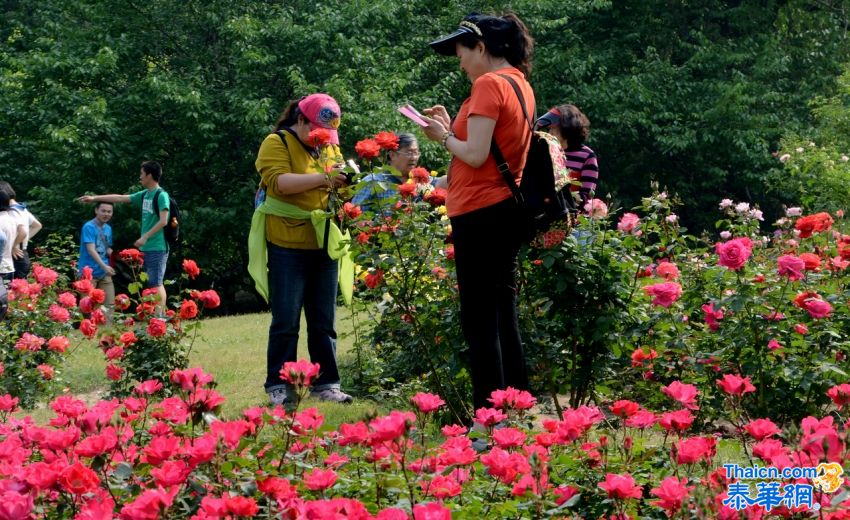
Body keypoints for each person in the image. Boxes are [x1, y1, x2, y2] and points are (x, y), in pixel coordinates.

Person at [420, 12, 535, 411]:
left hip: (480, 214)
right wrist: (446, 127)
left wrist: (444, 136)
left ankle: (489, 418)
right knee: (502, 313)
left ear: (482, 47)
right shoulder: (519, 83)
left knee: (480, 320)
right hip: (502, 211)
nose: (460, 61)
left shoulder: (488, 84)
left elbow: (474, 153)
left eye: (462, 52)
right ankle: (517, 405)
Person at [252, 93, 354, 406]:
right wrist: (326, 178)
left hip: (323, 243)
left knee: (324, 321)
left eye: (329, 136)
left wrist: (348, 179)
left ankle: (328, 384)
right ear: (300, 120)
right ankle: (279, 386)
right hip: (287, 245)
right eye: (318, 132)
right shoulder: (276, 143)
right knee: (286, 321)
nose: (323, 140)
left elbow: (340, 185)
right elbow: (279, 183)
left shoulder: (328, 147)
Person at [77, 161, 170, 315]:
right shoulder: (145, 195)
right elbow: (120, 198)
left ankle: (160, 318)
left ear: (149, 175)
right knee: (152, 283)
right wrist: (94, 198)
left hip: (157, 246)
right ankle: (156, 316)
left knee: (156, 283)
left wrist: (145, 237)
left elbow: (164, 221)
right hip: (148, 247)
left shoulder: (161, 195)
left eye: (141, 174)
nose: (140, 177)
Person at [535, 105, 599, 208]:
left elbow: (586, 199)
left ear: (567, 130)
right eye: (549, 129)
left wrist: (560, 198)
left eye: (554, 129)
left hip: (573, 217)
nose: (549, 133)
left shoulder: (587, 156)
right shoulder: (545, 151)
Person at [351, 133, 423, 212]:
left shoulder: (422, 183)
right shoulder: (372, 182)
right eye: (409, 153)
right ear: (392, 155)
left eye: (416, 153)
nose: (414, 158)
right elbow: (354, 216)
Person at [77, 202, 116, 320]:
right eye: (103, 211)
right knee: (87, 306)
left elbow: (106, 248)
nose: (106, 214)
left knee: (109, 304)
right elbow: (91, 250)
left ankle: (107, 332)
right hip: (88, 272)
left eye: (109, 212)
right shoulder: (89, 227)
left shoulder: (108, 228)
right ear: (96, 211)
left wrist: (117, 255)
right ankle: (87, 330)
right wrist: (105, 266)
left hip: (104, 271)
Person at [0, 181, 42, 279]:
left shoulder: (11, 211)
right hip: (22, 251)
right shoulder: (22, 209)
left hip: (16, 254)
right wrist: (23, 241)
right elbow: (37, 226)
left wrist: (14, 245)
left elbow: (23, 232)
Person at [0, 189, 26, 287]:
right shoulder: (11, 219)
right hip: (9, 266)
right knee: (6, 299)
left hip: (1, 267)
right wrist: (14, 246)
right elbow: (24, 232)